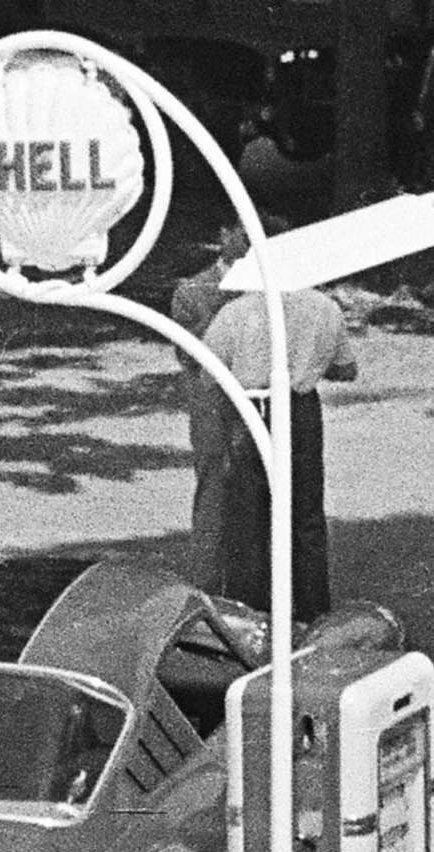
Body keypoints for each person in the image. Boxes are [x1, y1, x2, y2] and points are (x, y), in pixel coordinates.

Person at [198, 281, 359, 619]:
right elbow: (346, 369)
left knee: (247, 516)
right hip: (300, 409)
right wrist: (309, 362)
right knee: (306, 513)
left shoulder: (235, 312)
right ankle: (312, 613)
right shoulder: (324, 308)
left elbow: (208, 374)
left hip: (250, 410)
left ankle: (250, 614)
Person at [171, 221, 250, 592]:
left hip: (259, 400)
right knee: (214, 488)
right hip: (212, 406)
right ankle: (206, 583)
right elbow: (188, 354)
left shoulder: (272, 287)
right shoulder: (192, 290)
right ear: (225, 234)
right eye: (245, 236)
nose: (251, 245)